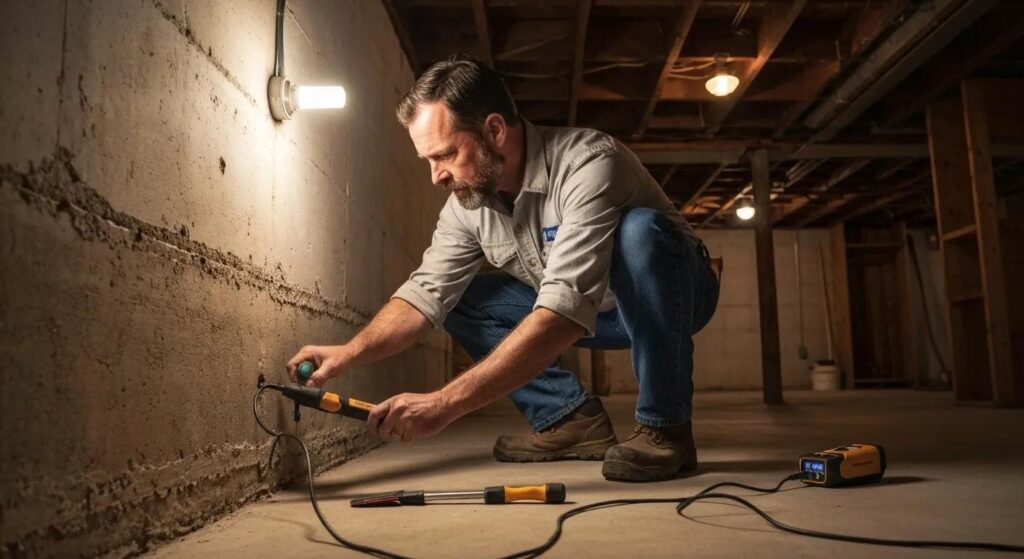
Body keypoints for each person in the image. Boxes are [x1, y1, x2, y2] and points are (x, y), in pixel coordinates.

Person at [287, 54, 719, 481]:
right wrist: (349, 353)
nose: (436, 176)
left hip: (676, 298)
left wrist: (444, 404)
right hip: (600, 316)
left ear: (494, 130)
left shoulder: (589, 163)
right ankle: (568, 420)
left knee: (639, 232)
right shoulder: (467, 205)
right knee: (459, 302)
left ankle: (666, 429)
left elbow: (563, 315)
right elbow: (423, 295)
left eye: (446, 155)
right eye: (428, 161)